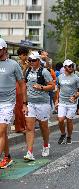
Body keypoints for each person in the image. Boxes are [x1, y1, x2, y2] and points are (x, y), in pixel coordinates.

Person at [0, 38, 27, 168]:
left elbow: (22, 84)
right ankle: (7, 156)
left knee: (1, 130)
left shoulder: (13, 64)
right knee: (3, 133)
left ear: (4, 49)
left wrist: (24, 103)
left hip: (7, 103)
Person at [23, 51, 55, 160]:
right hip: (31, 103)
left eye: (33, 60)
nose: (31, 62)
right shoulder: (28, 71)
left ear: (38, 61)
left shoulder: (44, 71)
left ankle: (46, 145)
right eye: (30, 60)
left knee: (43, 126)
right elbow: (24, 85)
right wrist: (24, 103)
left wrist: (41, 87)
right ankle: (29, 152)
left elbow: (52, 86)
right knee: (29, 127)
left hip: (43, 103)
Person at [56, 59, 79, 144]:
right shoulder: (60, 77)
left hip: (72, 103)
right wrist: (56, 100)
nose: (71, 67)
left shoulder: (76, 77)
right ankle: (63, 134)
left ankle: (69, 136)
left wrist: (75, 96)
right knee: (60, 120)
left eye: (72, 66)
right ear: (65, 67)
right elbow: (58, 89)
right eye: (69, 66)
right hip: (62, 102)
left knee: (69, 120)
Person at [15, 46, 29, 133]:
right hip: (19, 85)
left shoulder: (30, 63)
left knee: (27, 105)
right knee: (19, 106)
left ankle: (27, 125)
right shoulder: (17, 64)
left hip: (27, 85)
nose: (21, 56)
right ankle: (20, 127)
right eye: (20, 55)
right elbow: (19, 76)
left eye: (23, 54)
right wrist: (25, 68)